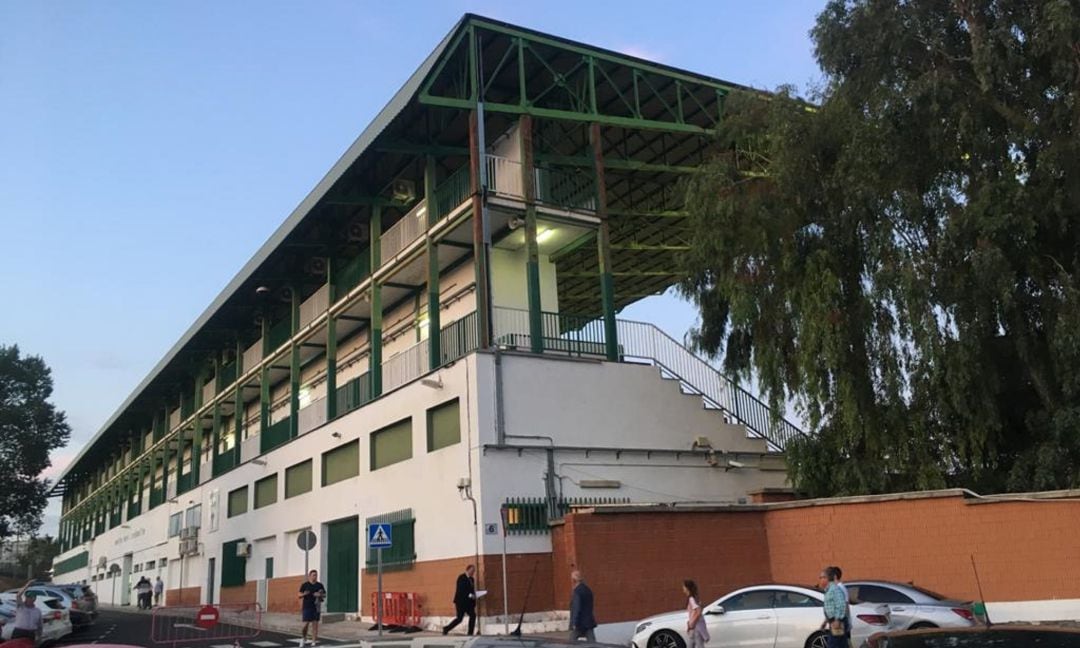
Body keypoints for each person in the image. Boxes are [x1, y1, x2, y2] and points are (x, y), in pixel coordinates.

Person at [442, 564, 477, 636]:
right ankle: (446, 628)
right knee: (459, 619)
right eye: (472, 571)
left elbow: (471, 590)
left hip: (469, 603)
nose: (473, 572)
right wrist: (470, 595)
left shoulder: (472, 579)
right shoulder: (461, 578)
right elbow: (461, 590)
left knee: (473, 615)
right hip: (460, 602)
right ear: (468, 570)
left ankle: (470, 633)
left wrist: (474, 596)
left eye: (474, 571)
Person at [821, 566, 848, 648]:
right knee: (841, 645)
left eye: (823, 577)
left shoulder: (835, 589)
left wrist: (837, 620)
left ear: (829, 578)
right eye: (820, 577)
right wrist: (825, 621)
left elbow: (841, 605)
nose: (821, 579)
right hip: (833, 622)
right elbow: (831, 608)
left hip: (837, 623)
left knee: (833, 645)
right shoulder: (829, 590)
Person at [298, 570, 326, 647]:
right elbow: (299, 595)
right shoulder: (305, 585)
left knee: (315, 625)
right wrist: (304, 594)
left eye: (316, 575)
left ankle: (313, 641)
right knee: (305, 624)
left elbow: (324, 595)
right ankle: (304, 638)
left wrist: (319, 595)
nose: (315, 576)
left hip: (316, 607)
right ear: (309, 576)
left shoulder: (320, 585)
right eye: (313, 575)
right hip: (307, 606)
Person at [569, 570, 597, 642]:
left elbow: (576, 608)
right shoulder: (588, 590)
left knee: (571, 641)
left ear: (574, 580)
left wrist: (574, 623)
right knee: (592, 642)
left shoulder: (577, 592)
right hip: (589, 621)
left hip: (580, 623)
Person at [683, 580, 709, 648]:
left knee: (699, 645)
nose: (683, 588)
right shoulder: (695, 598)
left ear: (687, 588)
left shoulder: (691, 599)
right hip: (694, 627)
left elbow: (698, 611)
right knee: (690, 645)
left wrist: (692, 623)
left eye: (684, 586)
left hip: (696, 627)